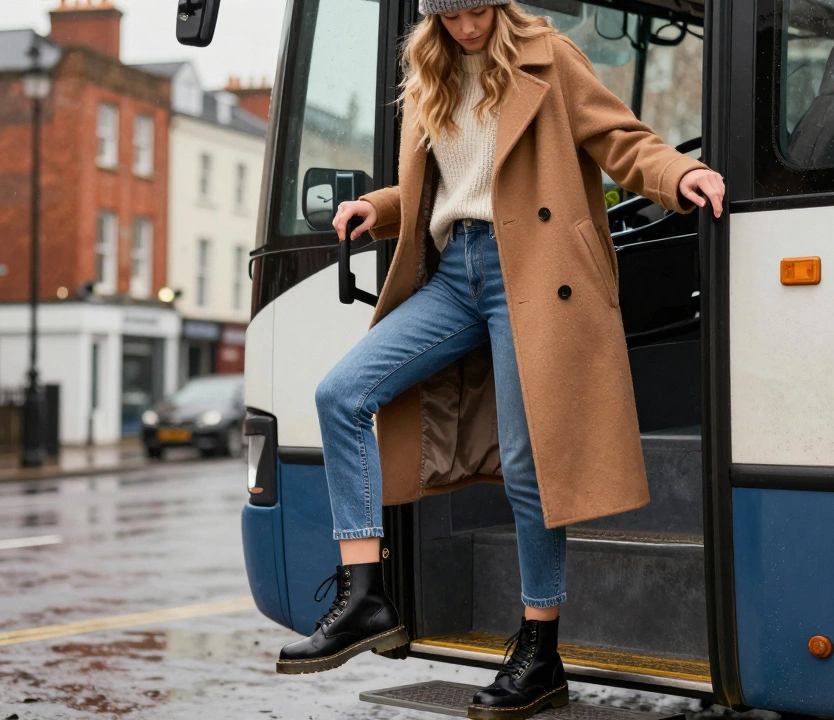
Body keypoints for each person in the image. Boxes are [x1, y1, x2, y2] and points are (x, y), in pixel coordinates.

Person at [276, 1, 725, 718]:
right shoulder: (427, 75)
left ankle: (540, 648)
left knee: (529, 464)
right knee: (342, 394)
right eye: (451, 17)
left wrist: (679, 176)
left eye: (478, 10)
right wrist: (381, 207)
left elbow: (622, 140)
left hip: (535, 275)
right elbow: (450, 187)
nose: (469, 28)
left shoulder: (550, 57)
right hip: (457, 273)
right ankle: (365, 594)